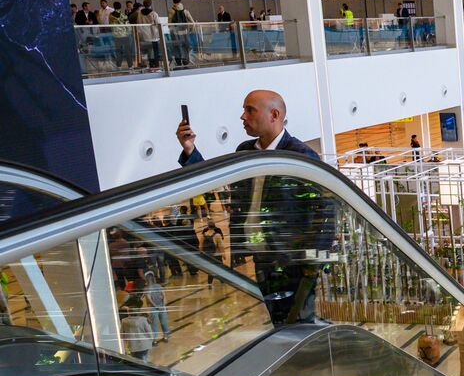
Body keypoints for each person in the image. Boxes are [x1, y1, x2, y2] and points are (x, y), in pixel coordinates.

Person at [176, 90, 334, 326]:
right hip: (262, 256)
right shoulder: (245, 151)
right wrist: (190, 149)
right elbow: (217, 181)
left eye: (250, 110)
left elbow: (326, 210)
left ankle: (302, 359)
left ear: (274, 114)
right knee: (277, 320)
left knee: (299, 321)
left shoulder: (299, 156)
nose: (242, 116)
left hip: (291, 261)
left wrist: (313, 261)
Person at [121, 293, 156, 361]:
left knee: (136, 360)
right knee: (144, 359)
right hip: (144, 345)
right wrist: (151, 340)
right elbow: (149, 332)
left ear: (129, 313)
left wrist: (126, 343)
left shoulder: (124, 321)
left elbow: (122, 335)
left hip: (133, 346)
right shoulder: (143, 320)